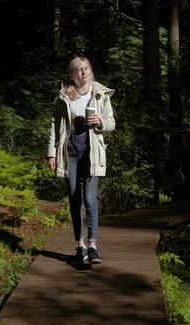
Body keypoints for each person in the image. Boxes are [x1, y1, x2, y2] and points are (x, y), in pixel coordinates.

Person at [47, 56, 115, 264]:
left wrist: (100, 122)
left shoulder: (100, 94)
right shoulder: (64, 96)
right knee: (74, 199)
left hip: (91, 152)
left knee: (90, 199)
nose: (83, 72)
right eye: (78, 70)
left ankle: (93, 245)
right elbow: (54, 125)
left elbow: (111, 123)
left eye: (86, 69)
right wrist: (51, 153)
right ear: (72, 74)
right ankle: (80, 245)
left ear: (90, 70)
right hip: (70, 152)